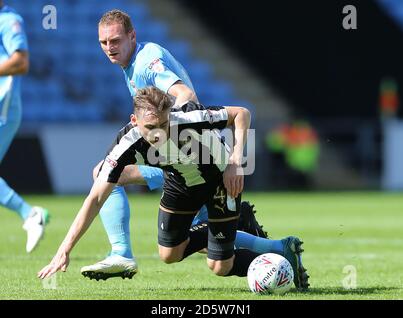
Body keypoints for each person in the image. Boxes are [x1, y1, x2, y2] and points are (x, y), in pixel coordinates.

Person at [38, 87, 309, 290]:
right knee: (169, 255)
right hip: (180, 185)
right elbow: (96, 198)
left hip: (219, 183)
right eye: (151, 127)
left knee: (219, 266)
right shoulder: (124, 145)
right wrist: (64, 250)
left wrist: (236, 161)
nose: (159, 134)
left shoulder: (189, 118)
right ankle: (238, 225)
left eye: (164, 124)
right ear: (134, 120)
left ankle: (279, 259)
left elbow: (241, 113)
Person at [80, 9, 270, 280]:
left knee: (197, 245)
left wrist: (169, 136)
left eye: (116, 40)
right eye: (104, 42)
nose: (110, 48)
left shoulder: (147, 63)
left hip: (190, 158)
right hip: (187, 157)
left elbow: (185, 93)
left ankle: (122, 253)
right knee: (195, 245)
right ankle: (270, 245)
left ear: (132, 36)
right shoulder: (133, 62)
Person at [0, 1, 49, 253]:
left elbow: (20, 62)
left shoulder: (8, 21)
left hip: (3, 106)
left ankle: (29, 213)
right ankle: (30, 214)